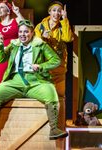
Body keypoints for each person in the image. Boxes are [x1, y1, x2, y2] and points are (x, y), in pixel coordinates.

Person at [0, 19, 68, 141]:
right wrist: (0, 44)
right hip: (15, 81)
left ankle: (54, 129)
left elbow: (56, 60)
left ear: (32, 33)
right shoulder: (14, 44)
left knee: (51, 92)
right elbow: (0, 59)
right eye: (20, 32)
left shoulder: (40, 44)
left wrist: (41, 66)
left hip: (36, 81)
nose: (22, 34)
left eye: (26, 32)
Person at [34, 1, 74, 130]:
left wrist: (65, 19)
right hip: (44, 70)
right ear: (49, 12)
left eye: (59, 11)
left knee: (60, 98)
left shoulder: (63, 26)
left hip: (59, 70)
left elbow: (68, 39)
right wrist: (43, 38)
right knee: (44, 98)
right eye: (54, 10)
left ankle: (59, 127)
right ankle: (43, 126)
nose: (57, 13)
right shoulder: (40, 27)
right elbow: (34, 45)